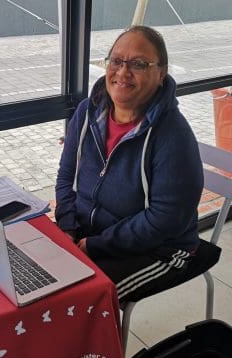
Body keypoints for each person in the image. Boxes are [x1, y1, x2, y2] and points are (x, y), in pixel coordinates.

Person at [55, 25, 210, 303]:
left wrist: (95, 245)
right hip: (89, 231)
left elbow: (164, 220)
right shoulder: (87, 112)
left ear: (161, 74)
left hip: (159, 248)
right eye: (116, 61)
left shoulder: (173, 135)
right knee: (36, 276)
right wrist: (67, 226)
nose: (123, 72)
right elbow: (67, 175)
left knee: (79, 300)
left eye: (138, 64)